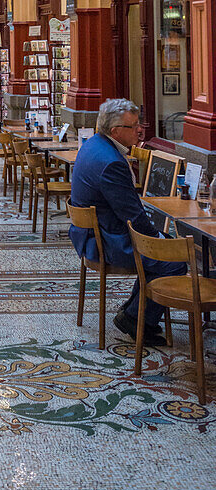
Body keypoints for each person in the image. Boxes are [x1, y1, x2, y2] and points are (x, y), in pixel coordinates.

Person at [69, 98, 187, 346]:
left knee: (161, 252)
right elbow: (132, 215)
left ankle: (134, 313)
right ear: (115, 131)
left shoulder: (93, 146)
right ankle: (135, 318)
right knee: (174, 259)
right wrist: (158, 239)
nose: (140, 130)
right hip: (107, 241)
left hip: (91, 234)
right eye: (134, 126)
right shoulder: (111, 162)